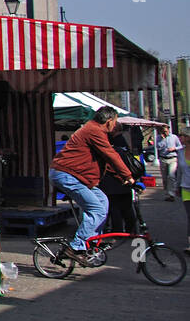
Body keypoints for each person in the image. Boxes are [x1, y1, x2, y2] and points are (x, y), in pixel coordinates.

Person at [50, 106, 134, 264]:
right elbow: (110, 154)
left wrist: (121, 177)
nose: (115, 125)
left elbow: (105, 160)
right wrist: (127, 175)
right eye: (115, 122)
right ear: (109, 121)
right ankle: (76, 246)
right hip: (66, 174)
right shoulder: (93, 131)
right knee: (96, 209)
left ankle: (91, 241)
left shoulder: (95, 131)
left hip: (78, 176)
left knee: (103, 201)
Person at [99, 126, 141, 235]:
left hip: (111, 184)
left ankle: (117, 231)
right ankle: (131, 230)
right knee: (127, 208)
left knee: (114, 209)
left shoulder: (106, 153)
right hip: (125, 183)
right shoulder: (123, 150)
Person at [156, 124, 183, 201]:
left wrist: (174, 148)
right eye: (163, 131)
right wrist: (162, 139)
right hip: (163, 159)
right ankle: (167, 193)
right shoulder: (159, 137)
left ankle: (171, 194)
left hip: (172, 158)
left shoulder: (174, 137)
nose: (165, 133)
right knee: (165, 178)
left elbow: (180, 146)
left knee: (171, 176)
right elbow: (158, 147)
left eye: (166, 131)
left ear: (169, 130)